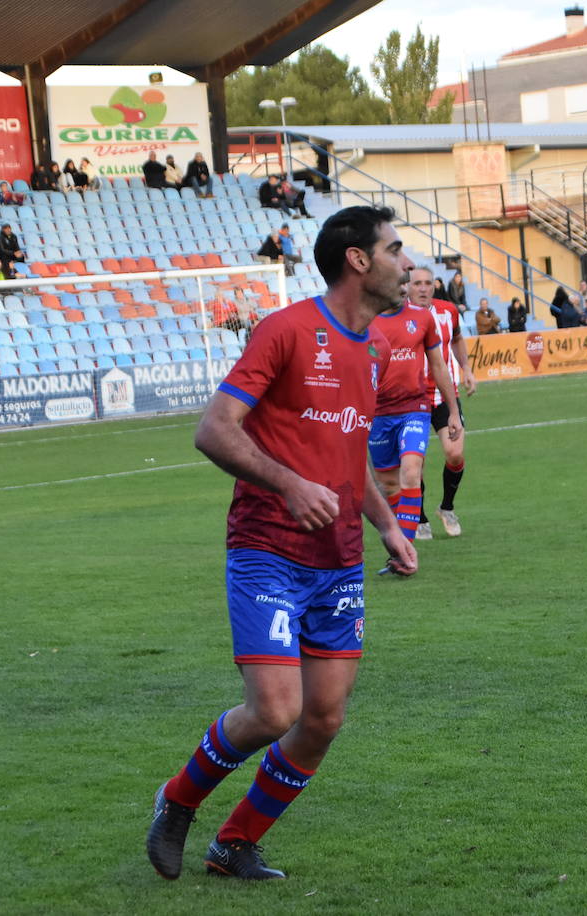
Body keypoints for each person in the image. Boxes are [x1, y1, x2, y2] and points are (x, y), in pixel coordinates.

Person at [145, 205, 413, 883]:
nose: (407, 264)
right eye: (395, 248)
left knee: (322, 718)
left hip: (340, 558)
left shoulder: (374, 350)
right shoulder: (286, 330)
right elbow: (214, 429)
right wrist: (290, 485)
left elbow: (347, 453)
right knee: (275, 710)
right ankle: (177, 802)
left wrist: (386, 525)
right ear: (358, 259)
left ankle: (234, 844)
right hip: (268, 547)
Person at [369, 268, 462, 569]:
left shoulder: (423, 319)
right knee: (388, 485)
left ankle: (404, 552)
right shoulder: (366, 320)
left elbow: (438, 365)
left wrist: (454, 412)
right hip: (378, 413)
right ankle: (403, 534)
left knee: (411, 472)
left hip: (414, 407)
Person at [406, 266, 475, 540]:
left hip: (445, 396)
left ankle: (446, 508)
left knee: (455, 454)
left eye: (427, 283)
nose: (423, 288)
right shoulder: (397, 316)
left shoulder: (448, 311)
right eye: (417, 284)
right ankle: (420, 518)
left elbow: (457, 338)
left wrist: (466, 368)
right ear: (407, 287)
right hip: (412, 399)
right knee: (415, 465)